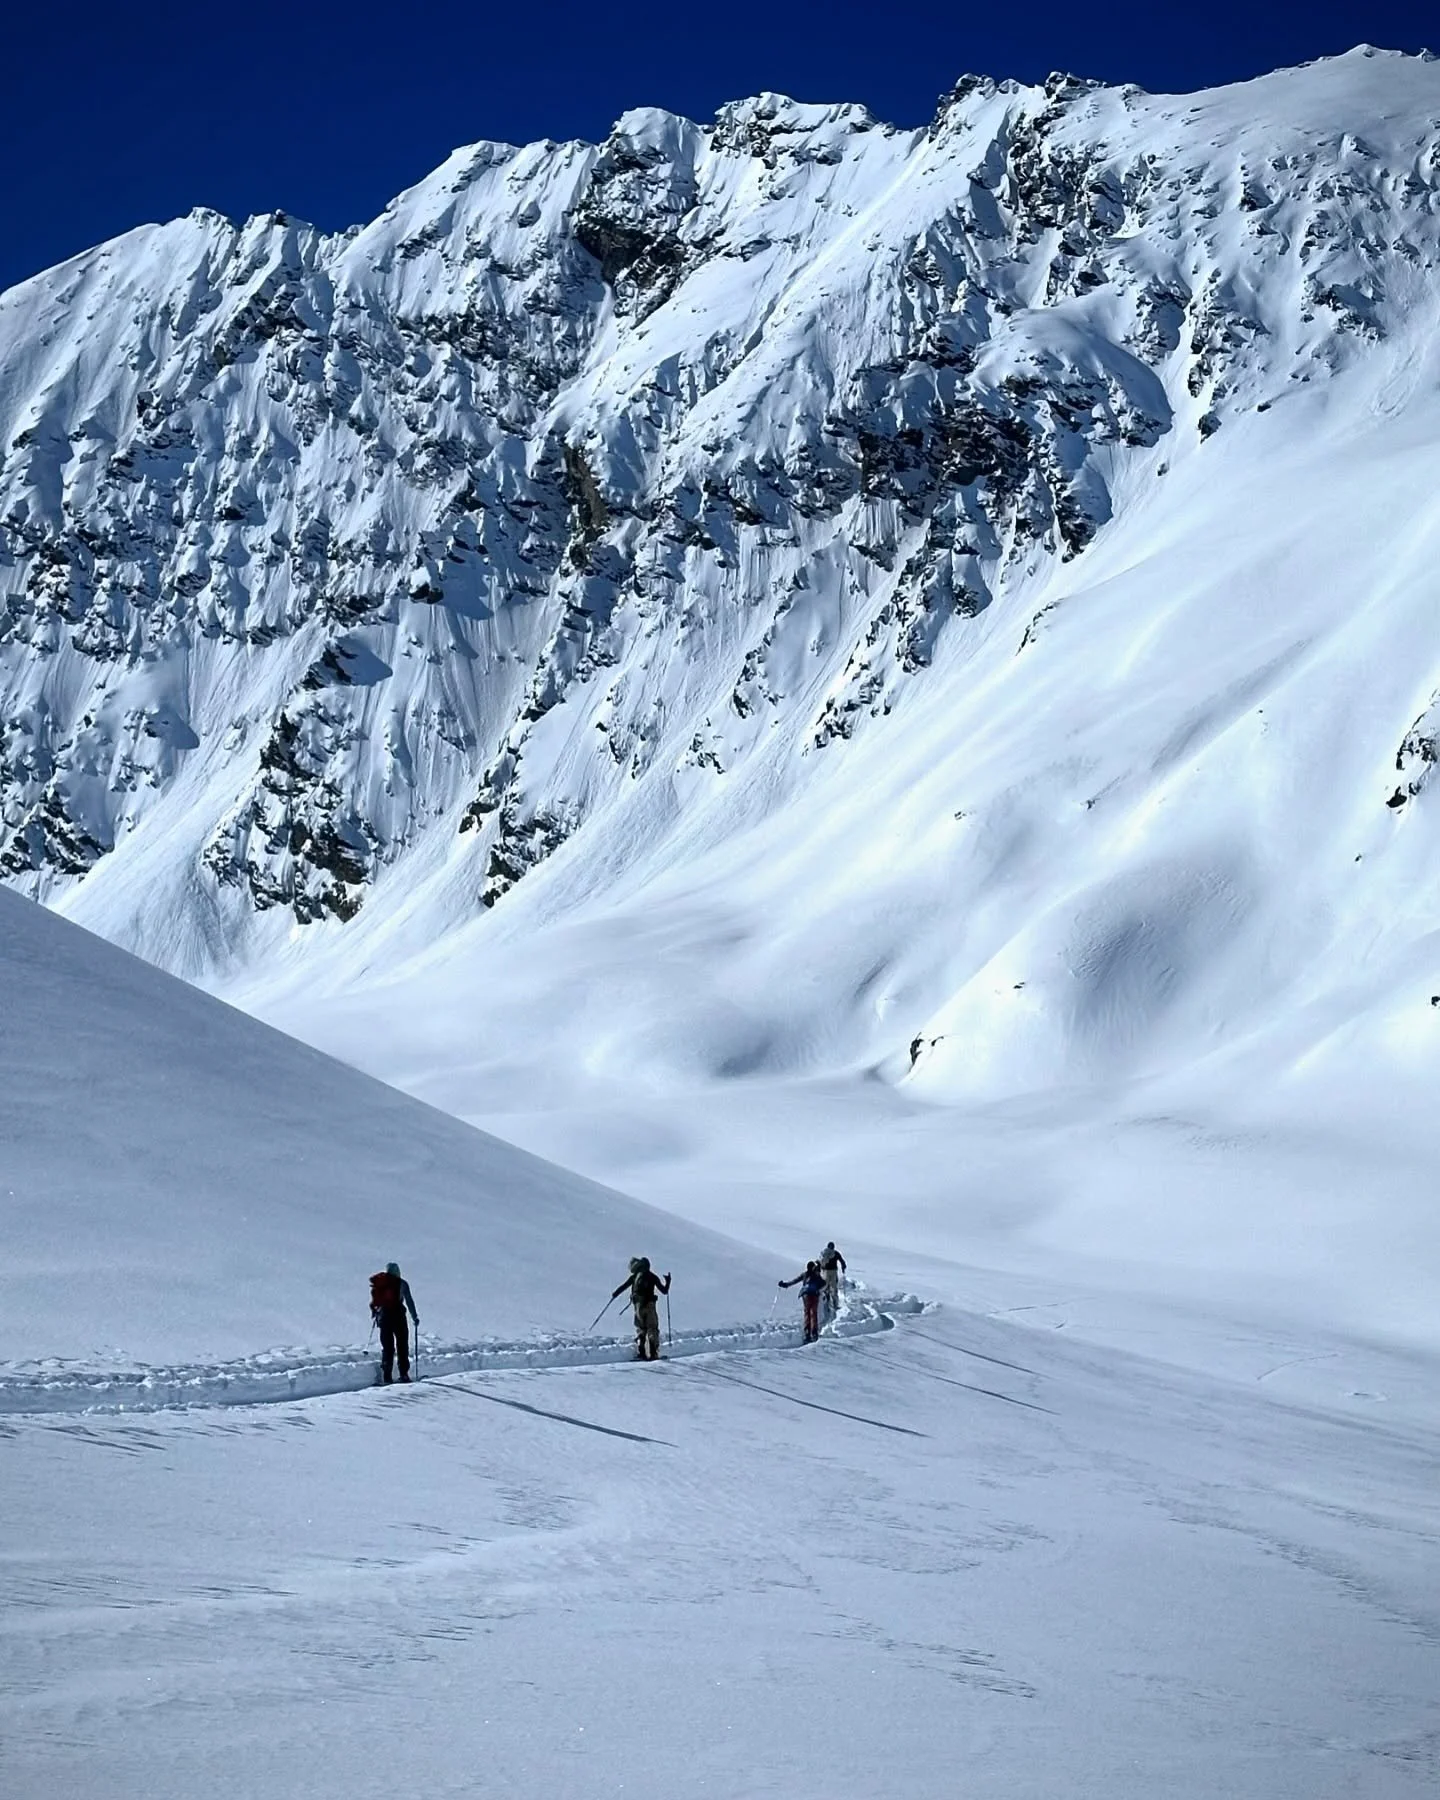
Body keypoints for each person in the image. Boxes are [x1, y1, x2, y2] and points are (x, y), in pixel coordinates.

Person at [611, 1256, 671, 1361]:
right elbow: (664, 1291)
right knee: (652, 1329)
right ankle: (653, 1353)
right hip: (650, 1305)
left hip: (638, 1306)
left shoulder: (635, 1277)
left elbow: (623, 1286)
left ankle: (641, 1353)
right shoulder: (652, 1276)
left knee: (641, 1329)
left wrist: (615, 1294)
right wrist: (668, 1282)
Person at [370, 1261, 419, 1383]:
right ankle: (404, 1374)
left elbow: (376, 1302)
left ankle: (387, 1376)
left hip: (384, 1317)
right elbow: (409, 1301)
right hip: (398, 1317)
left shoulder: (382, 1284)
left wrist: (376, 1313)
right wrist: (414, 1317)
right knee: (402, 1345)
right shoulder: (402, 1284)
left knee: (388, 1347)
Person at [779, 1261, 826, 1344]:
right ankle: (814, 1333)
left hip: (805, 1295)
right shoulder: (816, 1275)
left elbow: (794, 1281)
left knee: (807, 1313)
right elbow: (824, 1283)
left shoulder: (805, 1274)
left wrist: (785, 1285)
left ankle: (807, 1333)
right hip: (814, 1295)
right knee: (813, 1313)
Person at [819, 1241, 848, 1322]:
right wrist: (843, 1267)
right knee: (834, 1287)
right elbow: (842, 1261)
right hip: (833, 1272)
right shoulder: (835, 1253)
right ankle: (835, 1304)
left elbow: (820, 1262)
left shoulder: (823, 1253)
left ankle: (826, 1303)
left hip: (825, 1272)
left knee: (825, 1287)